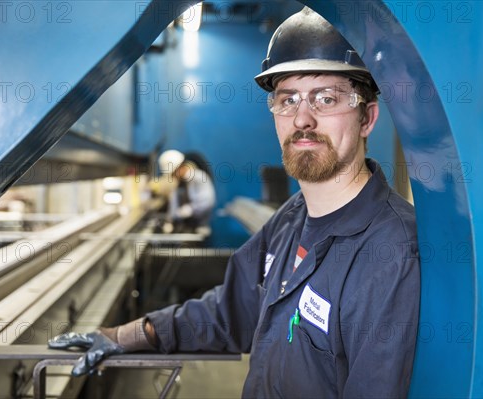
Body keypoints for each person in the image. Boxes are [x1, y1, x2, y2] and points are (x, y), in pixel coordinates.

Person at [49, 7, 420, 398]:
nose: (302, 119)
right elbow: (230, 312)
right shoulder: (292, 219)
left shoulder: (391, 254)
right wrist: (132, 333)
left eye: (326, 99)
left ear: (367, 118)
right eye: (288, 99)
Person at [154, 149, 216, 233]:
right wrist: (170, 220)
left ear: (179, 168)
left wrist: (190, 209)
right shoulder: (180, 184)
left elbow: (208, 201)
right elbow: (174, 203)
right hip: (185, 227)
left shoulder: (199, 177)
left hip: (199, 228)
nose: (173, 177)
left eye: (173, 174)